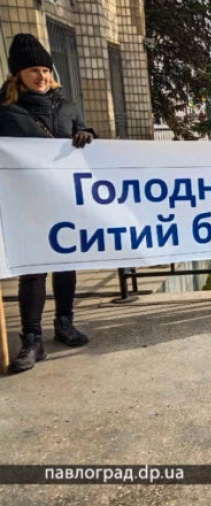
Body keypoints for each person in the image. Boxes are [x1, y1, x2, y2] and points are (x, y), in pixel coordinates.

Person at [0, 34, 94, 373]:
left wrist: (87, 135)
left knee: (65, 265)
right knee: (33, 272)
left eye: (44, 69)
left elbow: (82, 131)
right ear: (17, 75)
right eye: (32, 70)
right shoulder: (7, 113)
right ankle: (32, 339)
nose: (41, 76)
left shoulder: (66, 106)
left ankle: (64, 323)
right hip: (26, 203)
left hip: (64, 199)